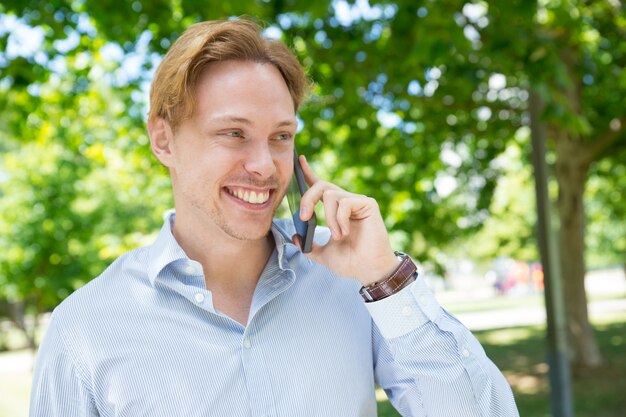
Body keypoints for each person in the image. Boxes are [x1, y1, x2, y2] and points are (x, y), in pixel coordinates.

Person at [30, 18, 519, 416]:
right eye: (234, 134)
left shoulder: (353, 284)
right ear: (164, 141)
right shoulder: (86, 328)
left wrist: (387, 280)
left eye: (281, 136)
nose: (264, 165)